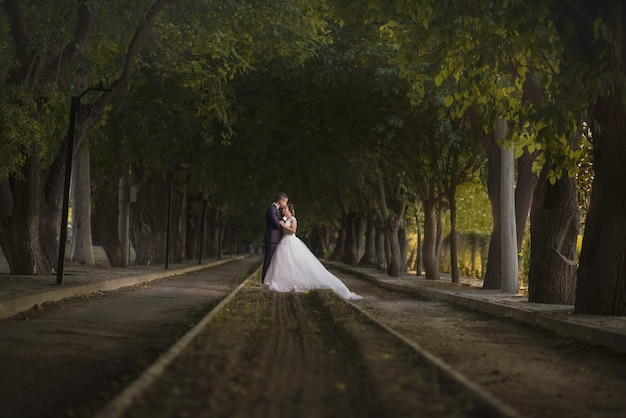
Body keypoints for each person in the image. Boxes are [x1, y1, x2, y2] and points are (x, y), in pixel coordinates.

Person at [265, 203, 362, 300]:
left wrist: (283, 225)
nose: (283, 210)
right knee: (283, 263)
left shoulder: (293, 219)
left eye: (285, 208)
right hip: (283, 242)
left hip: (291, 241)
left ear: (290, 210)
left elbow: (293, 231)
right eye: (283, 209)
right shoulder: (284, 219)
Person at [262, 192, 289, 282]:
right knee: (268, 260)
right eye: (285, 202)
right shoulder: (271, 209)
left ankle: (269, 280)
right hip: (271, 240)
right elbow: (276, 224)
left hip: (275, 240)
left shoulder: (276, 210)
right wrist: (284, 218)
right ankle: (264, 281)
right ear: (280, 201)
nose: (285, 204)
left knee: (272, 261)